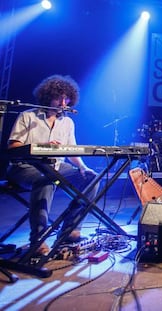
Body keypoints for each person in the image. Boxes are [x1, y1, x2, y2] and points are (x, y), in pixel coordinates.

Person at [6, 74, 99, 255]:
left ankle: (70, 231)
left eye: (67, 99)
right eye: (59, 98)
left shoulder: (68, 122)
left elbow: (71, 150)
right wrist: (41, 147)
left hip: (56, 166)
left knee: (92, 178)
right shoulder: (27, 116)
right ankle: (37, 240)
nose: (63, 102)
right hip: (25, 167)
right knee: (46, 179)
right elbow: (13, 146)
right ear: (49, 96)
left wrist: (83, 167)